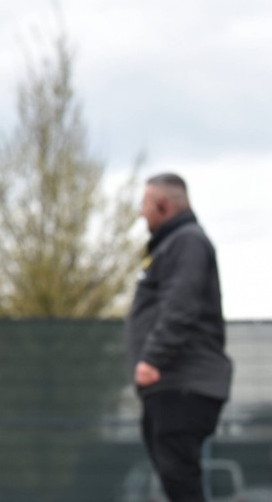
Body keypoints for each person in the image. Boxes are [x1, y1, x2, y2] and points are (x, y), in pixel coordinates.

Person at [125, 172, 232, 502]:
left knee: (177, 471)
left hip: (184, 379)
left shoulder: (187, 242)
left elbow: (180, 305)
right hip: (171, 382)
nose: (141, 212)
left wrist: (153, 357)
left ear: (162, 204)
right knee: (173, 473)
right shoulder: (170, 245)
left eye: (145, 204)